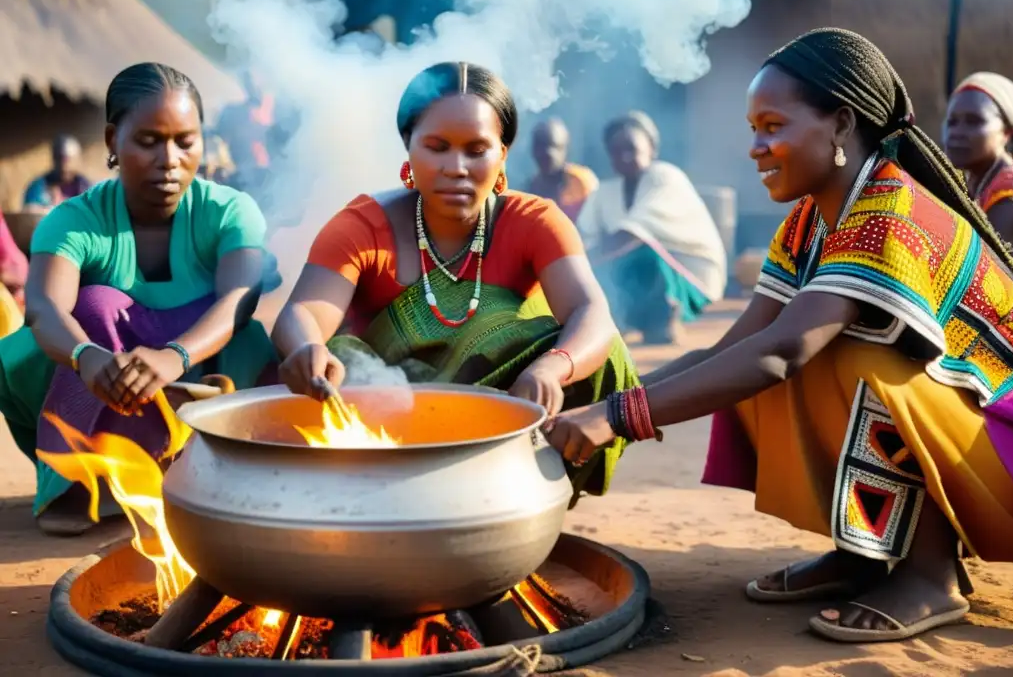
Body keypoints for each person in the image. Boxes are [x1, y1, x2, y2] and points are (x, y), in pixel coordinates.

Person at [545, 29, 1013, 643]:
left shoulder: (891, 212)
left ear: (841, 124)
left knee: (850, 355)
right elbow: (732, 348)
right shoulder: (809, 221)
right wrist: (606, 406)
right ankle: (865, 556)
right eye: (752, 128)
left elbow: (782, 351)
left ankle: (933, 574)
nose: (755, 147)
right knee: (761, 362)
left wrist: (619, 418)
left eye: (772, 125)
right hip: (963, 432)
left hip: (1005, 446)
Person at [272, 61, 638, 501]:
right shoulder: (361, 225)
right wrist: (306, 347)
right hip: (387, 416)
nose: (456, 167)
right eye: (437, 146)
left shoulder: (536, 221)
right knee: (334, 358)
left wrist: (552, 367)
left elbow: (592, 313)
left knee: (602, 353)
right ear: (408, 147)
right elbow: (303, 311)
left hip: (504, 425)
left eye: (476, 149)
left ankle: (527, 503)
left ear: (503, 153)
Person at [0, 62, 278, 537]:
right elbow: (45, 308)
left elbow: (240, 296)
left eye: (185, 141)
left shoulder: (231, 211)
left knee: (251, 337)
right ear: (112, 142)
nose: (169, 159)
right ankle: (80, 481)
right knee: (90, 308)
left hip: (201, 366)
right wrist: (86, 357)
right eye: (149, 141)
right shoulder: (72, 220)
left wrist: (176, 355)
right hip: (106, 372)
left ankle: (216, 470)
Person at [576, 111, 727, 344]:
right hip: (629, 271)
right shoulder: (604, 191)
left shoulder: (666, 177)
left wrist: (578, 264)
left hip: (690, 281)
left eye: (631, 149)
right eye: (616, 151)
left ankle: (664, 316)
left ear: (652, 149)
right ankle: (624, 319)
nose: (624, 157)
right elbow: (583, 237)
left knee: (642, 255)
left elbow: (630, 236)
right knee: (607, 269)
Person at [943, 72, 1013, 267]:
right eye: (952, 122)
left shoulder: (1009, 200)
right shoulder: (977, 179)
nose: (956, 133)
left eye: (974, 121)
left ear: (1007, 132)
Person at [526, 118, 599, 223]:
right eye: (542, 146)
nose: (548, 153)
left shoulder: (582, 181)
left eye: (555, 146)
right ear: (533, 151)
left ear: (566, 149)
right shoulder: (531, 188)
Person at [23, 135, 92, 212]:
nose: (64, 165)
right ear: (54, 159)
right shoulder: (39, 186)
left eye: (68, 160)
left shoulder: (85, 188)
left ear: (76, 160)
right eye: (59, 158)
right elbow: (29, 211)